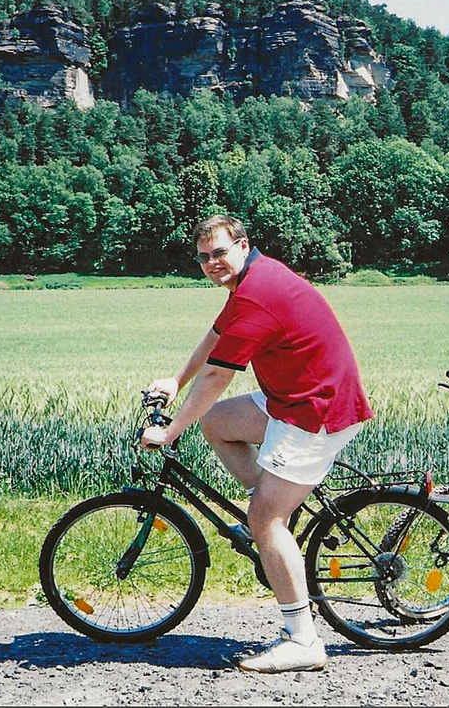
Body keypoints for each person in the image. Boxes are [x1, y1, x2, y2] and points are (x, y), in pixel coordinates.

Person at [141, 215, 372, 673]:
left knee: (267, 520)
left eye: (220, 253)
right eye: (204, 256)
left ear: (243, 246)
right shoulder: (251, 281)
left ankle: (302, 640)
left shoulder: (257, 294)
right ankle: (269, 515)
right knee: (218, 423)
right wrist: (174, 378)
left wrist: (169, 433)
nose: (212, 262)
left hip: (315, 411)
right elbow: (215, 338)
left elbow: (217, 376)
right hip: (293, 398)